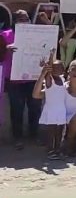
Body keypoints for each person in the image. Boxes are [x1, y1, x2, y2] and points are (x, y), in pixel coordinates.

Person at [3, 10, 42, 149]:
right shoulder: (5, 35)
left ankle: (34, 135)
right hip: (14, 80)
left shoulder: (35, 34)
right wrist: (6, 49)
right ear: (14, 21)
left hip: (32, 78)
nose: (24, 22)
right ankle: (17, 138)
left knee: (35, 107)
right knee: (17, 109)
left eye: (26, 19)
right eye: (21, 19)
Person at [33, 58, 67, 160]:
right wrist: (51, 55)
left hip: (61, 110)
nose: (56, 70)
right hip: (51, 110)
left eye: (59, 68)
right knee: (51, 132)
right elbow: (48, 70)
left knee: (59, 132)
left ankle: (58, 149)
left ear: (63, 70)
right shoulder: (49, 80)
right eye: (54, 68)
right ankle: (50, 150)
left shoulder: (63, 80)